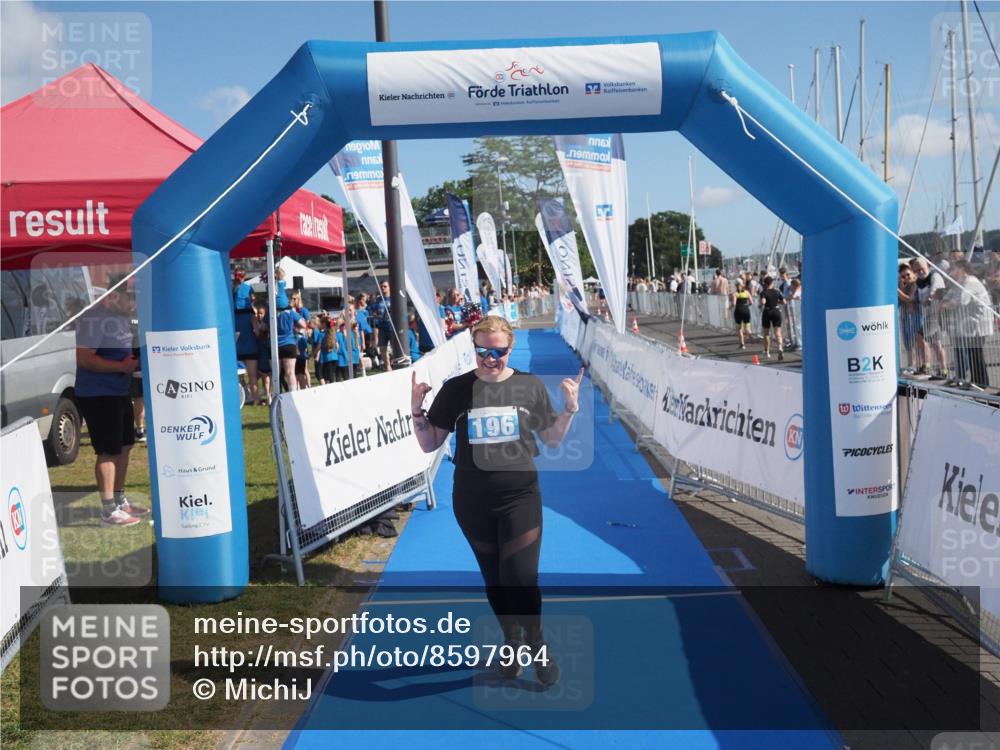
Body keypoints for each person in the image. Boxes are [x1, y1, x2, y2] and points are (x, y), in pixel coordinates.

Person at [410, 315, 582, 687]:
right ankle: (512, 641)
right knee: (495, 578)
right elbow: (429, 443)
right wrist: (417, 409)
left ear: (510, 348)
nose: (490, 359)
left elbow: (552, 439)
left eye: (498, 352)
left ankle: (536, 644)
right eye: (482, 352)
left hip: (520, 496)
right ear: (473, 349)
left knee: (521, 576)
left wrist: (569, 409)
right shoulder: (456, 389)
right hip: (472, 500)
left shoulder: (528, 385)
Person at [75, 279, 149, 527]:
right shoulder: (94, 318)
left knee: (125, 445)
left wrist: (132, 363)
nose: (134, 304)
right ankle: (108, 510)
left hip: (119, 391)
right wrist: (121, 366)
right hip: (98, 394)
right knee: (108, 451)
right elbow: (85, 359)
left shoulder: (121, 317)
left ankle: (119, 500)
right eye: (131, 298)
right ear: (114, 296)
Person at [942, 260, 992, 388]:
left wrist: (946, 304)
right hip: (970, 324)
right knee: (972, 352)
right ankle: (975, 381)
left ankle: (981, 382)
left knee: (976, 353)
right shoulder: (960, 282)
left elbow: (962, 300)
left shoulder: (970, 282)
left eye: (954, 268)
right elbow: (948, 296)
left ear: (962, 269)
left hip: (979, 323)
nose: (951, 272)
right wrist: (945, 301)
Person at [233, 267, 261, 405]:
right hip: (250, 346)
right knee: (253, 376)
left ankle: (242, 399)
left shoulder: (231, 317)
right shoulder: (252, 316)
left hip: (237, 347)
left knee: (239, 376)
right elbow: (257, 332)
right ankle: (256, 399)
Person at [758, 275, 784, 360]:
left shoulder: (763, 292)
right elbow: (784, 301)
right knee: (778, 332)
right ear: (772, 283)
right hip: (776, 311)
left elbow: (763, 302)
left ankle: (767, 351)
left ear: (765, 284)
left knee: (766, 333)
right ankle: (780, 348)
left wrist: (760, 304)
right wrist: (776, 302)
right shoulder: (777, 291)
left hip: (767, 312)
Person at [731, 279, 752, 350]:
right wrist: (746, 305)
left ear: (736, 285)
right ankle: (751, 336)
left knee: (739, 329)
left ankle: (742, 345)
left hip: (738, 311)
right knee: (747, 327)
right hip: (746, 310)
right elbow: (751, 302)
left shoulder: (735, 293)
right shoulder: (747, 292)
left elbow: (734, 303)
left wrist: (729, 307)